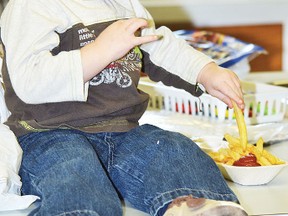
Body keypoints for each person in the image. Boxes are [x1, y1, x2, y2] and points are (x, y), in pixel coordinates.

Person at [0, 0, 246, 215]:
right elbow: (30, 80)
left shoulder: (124, 4)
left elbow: (159, 46)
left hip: (124, 132)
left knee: (172, 148)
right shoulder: (30, 5)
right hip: (49, 134)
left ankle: (202, 207)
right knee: (73, 171)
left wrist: (204, 71)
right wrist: (101, 50)